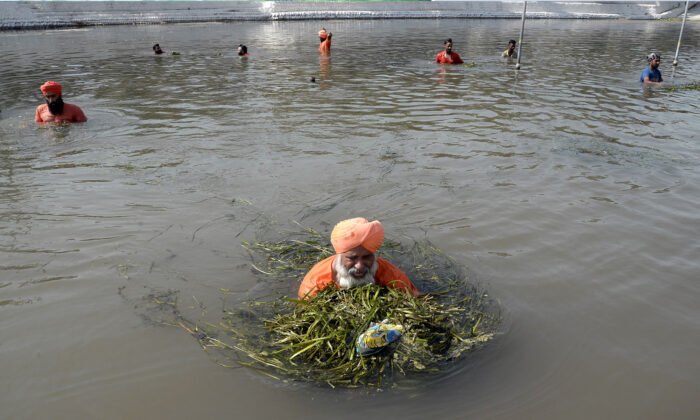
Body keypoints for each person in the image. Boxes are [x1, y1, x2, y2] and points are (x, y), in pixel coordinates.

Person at [298, 218, 420, 299]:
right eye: (352, 258)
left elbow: (417, 297)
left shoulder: (392, 275)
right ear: (340, 256)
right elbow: (304, 312)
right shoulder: (314, 284)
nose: (360, 266)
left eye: (366, 257)